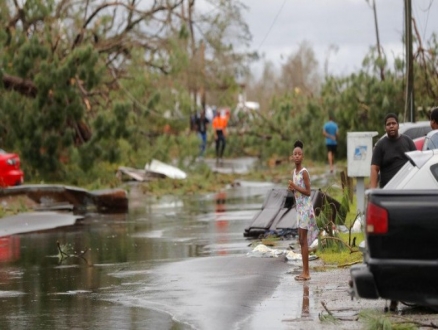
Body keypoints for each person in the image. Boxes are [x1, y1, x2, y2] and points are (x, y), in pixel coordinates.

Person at [288, 140, 319, 281]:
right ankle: (304, 271)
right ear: (292, 156)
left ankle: (307, 273)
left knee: (304, 240)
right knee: (301, 240)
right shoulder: (294, 172)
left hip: (306, 209)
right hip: (299, 209)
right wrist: (292, 189)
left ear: (303, 157)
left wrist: (295, 186)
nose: (297, 156)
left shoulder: (304, 172)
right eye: (295, 154)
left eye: (299, 154)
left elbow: (307, 192)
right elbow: (296, 192)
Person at [370, 113, 417, 189]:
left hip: (406, 187)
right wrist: (372, 191)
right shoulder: (380, 145)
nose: (391, 126)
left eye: (394, 123)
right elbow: (374, 168)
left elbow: (417, 162)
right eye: (388, 124)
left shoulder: (408, 141)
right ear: (385, 128)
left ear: (398, 126)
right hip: (388, 190)